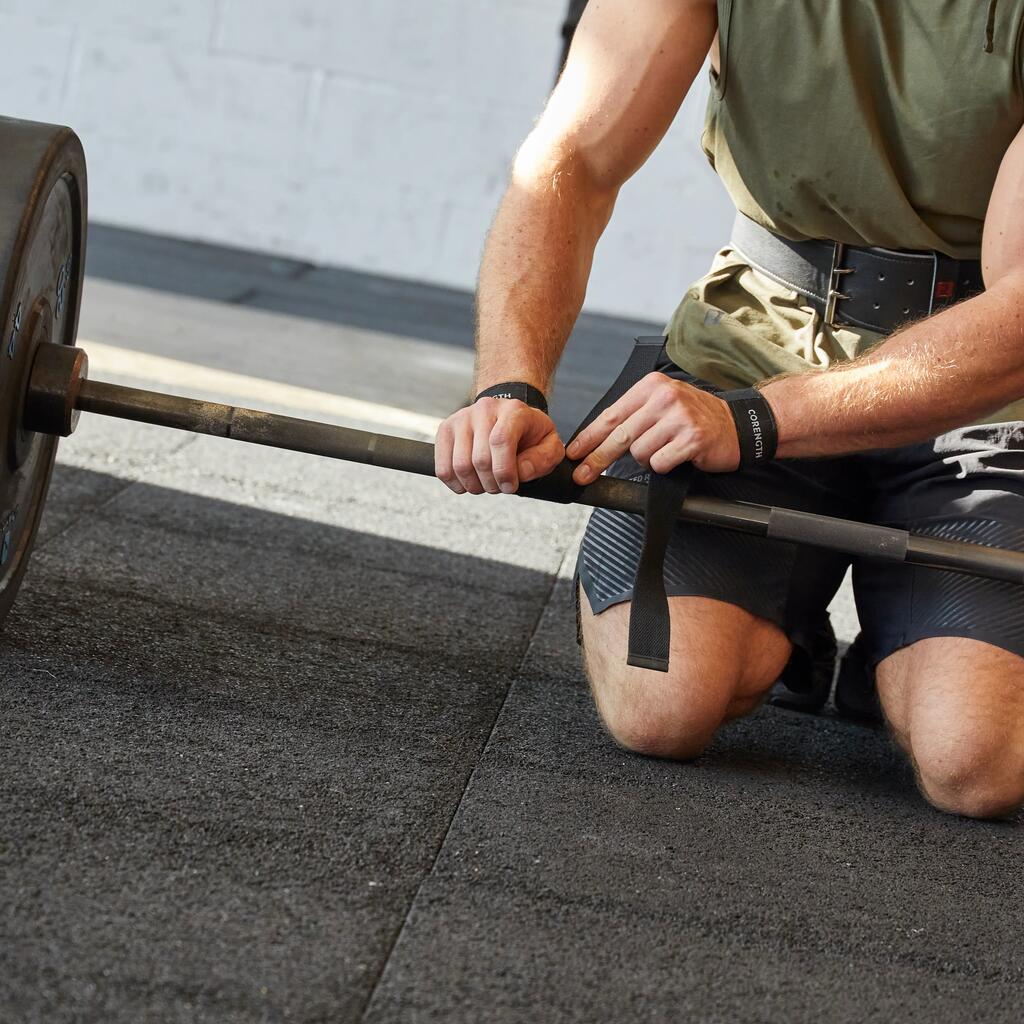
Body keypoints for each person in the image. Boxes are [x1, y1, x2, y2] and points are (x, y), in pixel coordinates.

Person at [433, 0, 1024, 820]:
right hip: (748, 352)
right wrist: (509, 386)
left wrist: (753, 422)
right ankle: (788, 622)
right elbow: (571, 162)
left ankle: (902, 646)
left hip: (986, 398)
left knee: (977, 761)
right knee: (660, 704)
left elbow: (1019, 310)